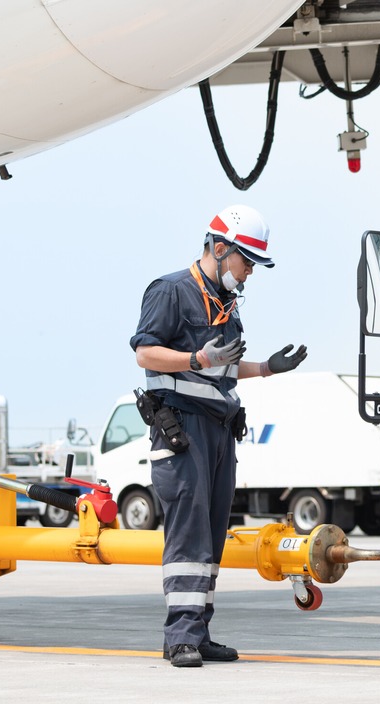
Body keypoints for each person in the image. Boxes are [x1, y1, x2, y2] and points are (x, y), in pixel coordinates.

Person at [130, 204, 308, 668]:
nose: (249, 272)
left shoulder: (225, 304)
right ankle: (180, 637)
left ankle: (200, 631)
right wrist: (195, 361)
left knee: (211, 537)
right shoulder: (170, 290)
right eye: (246, 260)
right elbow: (146, 354)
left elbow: (225, 368)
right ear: (220, 247)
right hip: (182, 430)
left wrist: (268, 368)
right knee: (188, 536)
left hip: (218, 431)